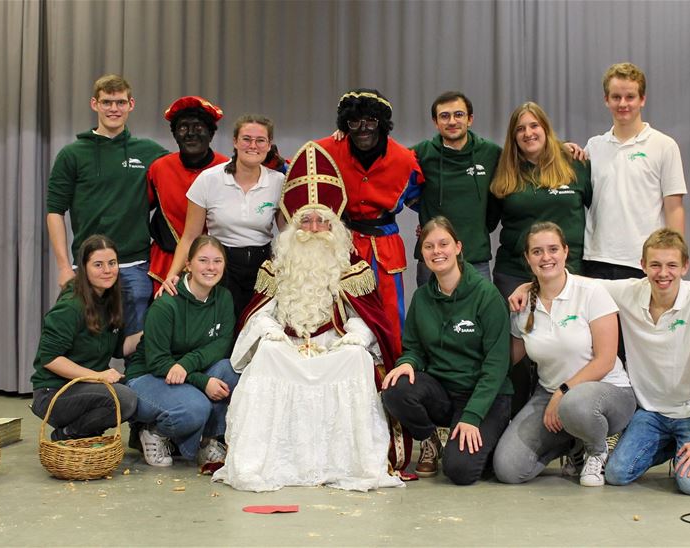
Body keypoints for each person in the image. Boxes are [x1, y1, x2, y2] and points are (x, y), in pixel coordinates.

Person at [214, 142, 408, 491]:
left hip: (334, 346)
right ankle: (268, 461)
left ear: (334, 227)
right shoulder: (278, 266)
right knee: (267, 357)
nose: (315, 228)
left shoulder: (352, 267)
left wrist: (356, 337)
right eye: (307, 220)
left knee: (356, 359)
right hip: (287, 346)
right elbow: (259, 312)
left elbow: (368, 316)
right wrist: (270, 332)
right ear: (293, 224)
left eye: (322, 221)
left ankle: (350, 462)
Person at [509, 228, 690, 494]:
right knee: (616, 474)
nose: (663, 273)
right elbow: (562, 278)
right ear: (642, 266)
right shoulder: (630, 292)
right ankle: (674, 445)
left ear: (685, 267)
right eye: (655, 265)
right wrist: (528, 285)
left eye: (672, 265)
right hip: (652, 412)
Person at [492, 222, 636, 487]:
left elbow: (605, 360)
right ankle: (573, 445)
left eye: (553, 249)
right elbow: (509, 357)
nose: (546, 257)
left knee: (575, 404)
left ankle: (597, 449)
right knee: (508, 469)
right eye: (537, 252)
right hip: (550, 394)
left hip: (607, 392)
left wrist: (563, 393)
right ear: (527, 258)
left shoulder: (592, 293)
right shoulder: (523, 304)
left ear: (566, 251)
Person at [381, 217, 512, 485]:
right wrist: (407, 362)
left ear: (458, 247)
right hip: (442, 392)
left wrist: (473, 416)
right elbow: (414, 348)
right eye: (429, 246)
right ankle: (430, 439)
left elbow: (497, 365)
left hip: (483, 395)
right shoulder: (422, 298)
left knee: (460, 472)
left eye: (443, 244)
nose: (437, 251)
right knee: (395, 388)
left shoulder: (486, 296)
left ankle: (492, 437)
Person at [490, 101, 592, 416]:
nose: (528, 133)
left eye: (534, 126)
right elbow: (486, 222)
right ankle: (520, 418)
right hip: (514, 273)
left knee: (570, 346)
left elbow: (597, 209)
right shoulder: (504, 172)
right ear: (513, 136)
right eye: (520, 129)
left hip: (568, 272)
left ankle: (575, 422)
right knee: (518, 350)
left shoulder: (575, 164)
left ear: (545, 129)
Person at [46, 74, 167, 336]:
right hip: (88, 267)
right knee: (82, 347)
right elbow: (54, 211)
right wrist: (64, 267)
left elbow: (187, 177)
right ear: (94, 104)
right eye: (107, 102)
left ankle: (135, 379)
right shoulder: (72, 154)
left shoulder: (150, 152)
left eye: (120, 102)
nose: (114, 109)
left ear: (131, 104)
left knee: (138, 347)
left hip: (135, 266)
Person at [317, 88, 424, 352]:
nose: (363, 128)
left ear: (382, 123)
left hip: (384, 246)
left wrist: (431, 227)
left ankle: (392, 371)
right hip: (343, 242)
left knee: (390, 313)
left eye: (371, 121)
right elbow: (299, 169)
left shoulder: (405, 160)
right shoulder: (328, 150)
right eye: (354, 122)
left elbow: (424, 198)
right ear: (345, 124)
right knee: (338, 307)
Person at [125, 235, 238, 470]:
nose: (210, 267)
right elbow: (157, 362)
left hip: (183, 371)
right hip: (148, 377)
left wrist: (187, 365)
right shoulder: (166, 304)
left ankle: (207, 441)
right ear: (188, 264)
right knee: (196, 407)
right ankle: (153, 431)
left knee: (229, 370)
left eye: (217, 261)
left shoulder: (224, 298)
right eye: (203, 260)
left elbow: (221, 345)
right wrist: (201, 380)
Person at [161, 114, 285, 319]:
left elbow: (286, 234)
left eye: (260, 140)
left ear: (269, 145)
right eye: (246, 139)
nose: (253, 145)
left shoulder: (279, 182)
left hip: (264, 268)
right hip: (221, 266)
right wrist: (172, 275)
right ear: (235, 141)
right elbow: (190, 236)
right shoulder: (208, 180)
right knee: (225, 329)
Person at [583, 62, 687, 280]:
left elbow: (674, 209)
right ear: (606, 100)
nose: (623, 104)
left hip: (644, 262)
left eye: (630, 97)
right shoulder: (593, 147)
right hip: (595, 260)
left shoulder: (664, 146)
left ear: (642, 99)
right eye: (616, 97)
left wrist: (672, 261)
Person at [31, 235, 139, 441]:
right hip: (52, 393)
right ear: (84, 268)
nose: (107, 270)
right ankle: (67, 435)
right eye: (98, 264)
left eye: (112, 263)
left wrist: (151, 332)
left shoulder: (109, 300)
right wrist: (97, 376)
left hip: (83, 387)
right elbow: (50, 358)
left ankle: (83, 436)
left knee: (129, 395)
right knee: (124, 400)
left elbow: (119, 348)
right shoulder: (70, 306)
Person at [411, 91, 503, 285]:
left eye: (458, 115)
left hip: (476, 259)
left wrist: (563, 148)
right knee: (431, 315)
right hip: (433, 260)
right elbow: (384, 159)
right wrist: (345, 137)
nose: (452, 121)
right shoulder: (421, 153)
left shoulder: (491, 152)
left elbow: (527, 154)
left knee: (480, 315)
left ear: (470, 119)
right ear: (436, 122)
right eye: (444, 116)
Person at [147, 96, 229, 294]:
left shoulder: (226, 168)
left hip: (212, 265)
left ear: (211, 133)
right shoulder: (159, 168)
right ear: (174, 134)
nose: (191, 133)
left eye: (199, 127)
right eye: (183, 127)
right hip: (166, 262)